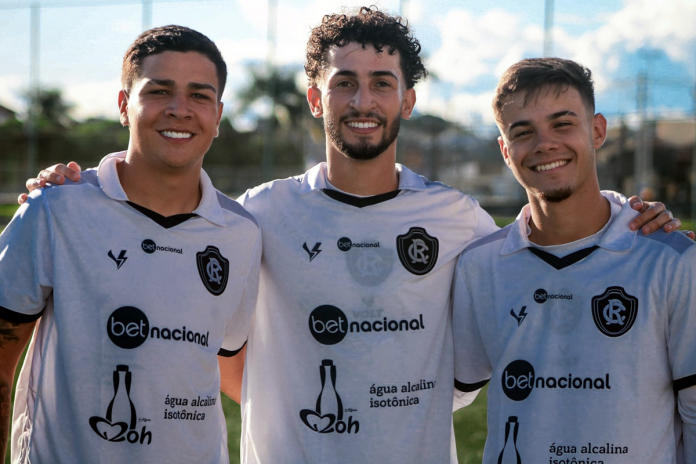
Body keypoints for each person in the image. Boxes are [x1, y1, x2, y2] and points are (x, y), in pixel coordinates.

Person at [20, 8, 684, 463]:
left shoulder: (461, 223)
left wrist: (630, 214)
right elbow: (217, 347)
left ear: (407, 101)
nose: (362, 100)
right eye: (344, 84)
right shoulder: (256, 216)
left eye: (381, 84)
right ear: (316, 99)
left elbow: (540, 246)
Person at [0, 25, 261, 463]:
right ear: (124, 105)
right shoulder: (56, 208)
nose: (180, 110)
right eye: (159, 91)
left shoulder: (241, 233)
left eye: (199, 96)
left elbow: (225, 362)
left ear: (217, 115)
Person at [452, 57, 696, 464]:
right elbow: (444, 391)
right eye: (523, 132)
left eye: (562, 124)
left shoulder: (672, 260)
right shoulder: (479, 266)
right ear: (505, 151)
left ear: (597, 130)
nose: (545, 143)